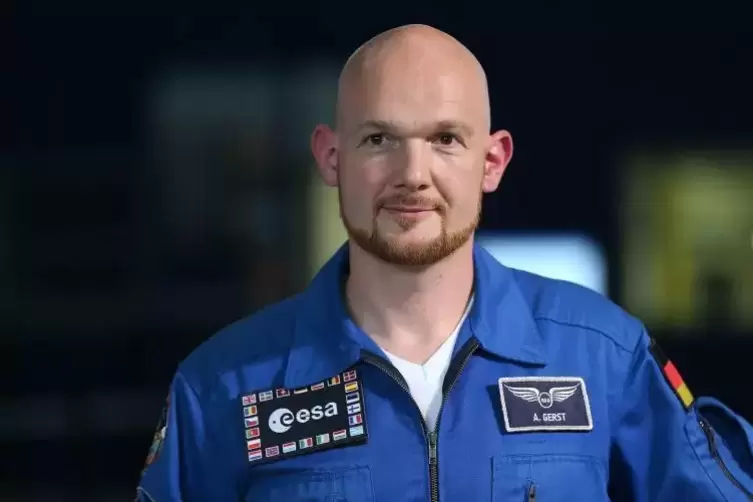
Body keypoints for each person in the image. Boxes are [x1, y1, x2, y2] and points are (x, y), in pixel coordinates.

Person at [135, 24, 753, 501]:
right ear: (330, 157)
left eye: (445, 140)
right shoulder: (224, 386)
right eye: (379, 140)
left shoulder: (603, 357)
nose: (413, 176)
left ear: (492, 161)